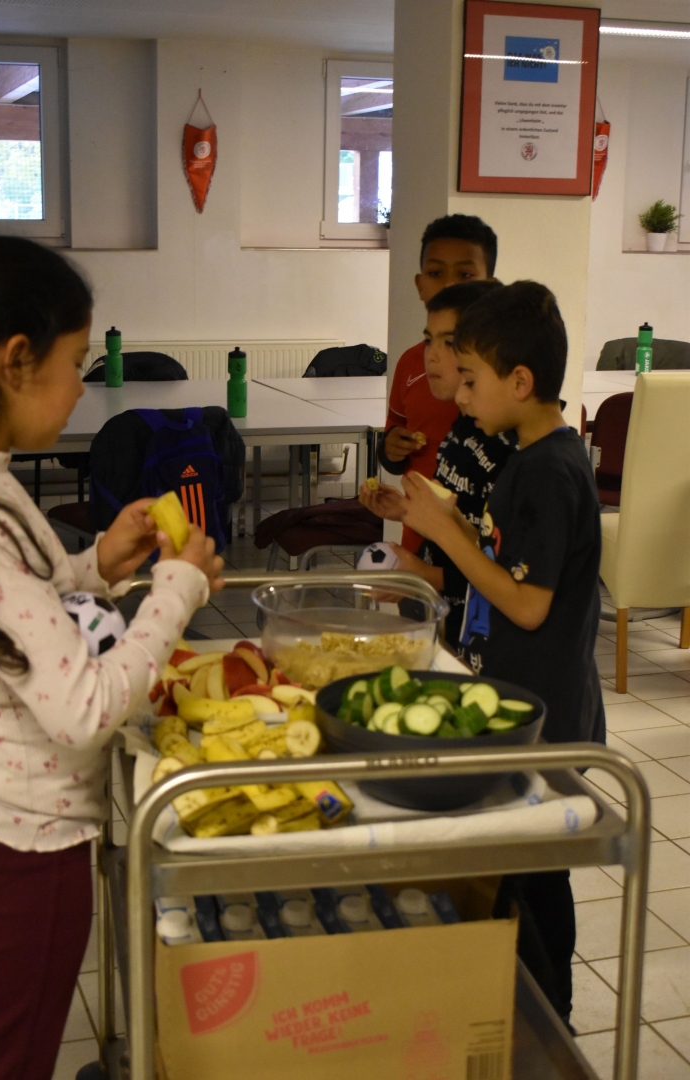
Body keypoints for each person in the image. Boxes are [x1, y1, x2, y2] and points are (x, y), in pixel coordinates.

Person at [0, 236, 224, 1080]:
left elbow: (14, 612)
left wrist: (96, 566)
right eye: (74, 363)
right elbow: (84, 709)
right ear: (14, 362)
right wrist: (177, 591)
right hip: (21, 853)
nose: (83, 386)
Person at [399, 280, 605, 1026]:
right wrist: (446, 521)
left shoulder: (549, 470)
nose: (460, 396)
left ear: (520, 381)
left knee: (536, 883)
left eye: (471, 380)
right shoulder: (529, 457)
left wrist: (446, 534)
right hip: (516, 705)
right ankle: (512, 1009)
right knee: (510, 878)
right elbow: (504, 564)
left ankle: (553, 1022)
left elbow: (527, 603)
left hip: (545, 718)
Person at [361, 280, 516, 647]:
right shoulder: (462, 428)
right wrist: (406, 511)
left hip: (485, 632)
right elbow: (464, 529)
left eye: (448, 342)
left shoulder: (516, 451)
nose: (430, 356)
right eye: (429, 340)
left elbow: (506, 576)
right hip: (446, 614)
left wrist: (423, 575)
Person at [378, 213, 498, 551]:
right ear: (420, 285)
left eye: (465, 275)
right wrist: (391, 448)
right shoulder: (411, 362)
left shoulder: (501, 373)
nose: (449, 286)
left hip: (480, 546)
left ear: (488, 285)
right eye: (435, 274)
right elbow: (395, 432)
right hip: (421, 539)